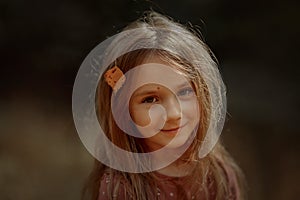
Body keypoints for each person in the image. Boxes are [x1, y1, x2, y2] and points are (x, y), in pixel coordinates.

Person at [81, 11, 246, 200]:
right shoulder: (121, 188)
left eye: (184, 92)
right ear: (123, 112)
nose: (174, 113)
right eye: (150, 99)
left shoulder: (218, 174)